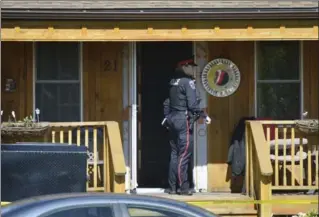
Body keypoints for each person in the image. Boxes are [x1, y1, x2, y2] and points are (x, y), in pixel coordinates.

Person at [162, 58, 211, 195]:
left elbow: (167, 102)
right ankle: (183, 187)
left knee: (174, 154)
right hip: (184, 120)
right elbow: (193, 105)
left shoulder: (172, 81)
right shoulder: (187, 82)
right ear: (184, 66)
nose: (193, 69)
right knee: (184, 155)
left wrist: (166, 117)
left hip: (172, 119)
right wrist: (204, 115)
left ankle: (172, 187)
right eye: (191, 66)